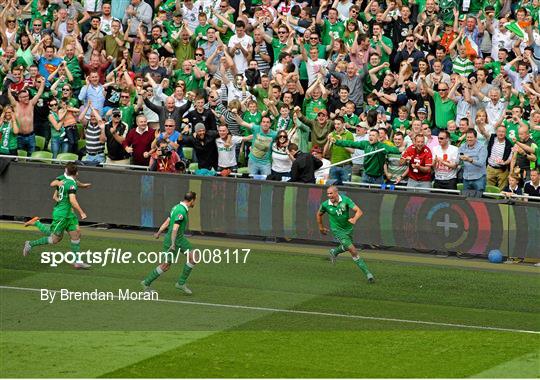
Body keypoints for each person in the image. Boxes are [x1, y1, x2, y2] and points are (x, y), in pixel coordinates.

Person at [22, 163, 91, 269]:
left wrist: (83, 185)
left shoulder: (64, 178)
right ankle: (32, 237)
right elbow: (72, 199)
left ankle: (77, 261)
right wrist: (82, 212)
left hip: (69, 214)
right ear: (77, 173)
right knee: (54, 238)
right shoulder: (70, 184)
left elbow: (56, 185)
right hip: (62, 215)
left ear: (66, 171)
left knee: (76, 234)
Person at [141, 192, 198, 295]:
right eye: (195, 200)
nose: (195, 202)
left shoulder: (176, 207)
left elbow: (167, 222)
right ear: (192, 200)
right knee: (166, 265)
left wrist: (158, 232)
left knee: (194, 257)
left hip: (180, 239)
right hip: (172, 240)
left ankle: (181, 283)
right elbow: (175, 228)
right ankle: (146, 283)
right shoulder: (181, 211)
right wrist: (172, 243)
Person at [317, 186, 374, 284]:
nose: (329, 196)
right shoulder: (325, 205)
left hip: (348, 228)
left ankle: (334, 252)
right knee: (353, 249)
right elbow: (319, 214)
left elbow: (359, 211)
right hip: (337, 230)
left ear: (336, 193)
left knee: (347, 247)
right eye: (328, 194)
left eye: (331, 193)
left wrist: (354, 219)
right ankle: (368, 274)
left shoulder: (345, 200)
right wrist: (321, 227)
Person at [334, 129, 400, 184]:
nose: (371, 137)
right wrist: (337, 142)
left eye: (373, 135)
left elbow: (394, 150)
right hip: (366, 175)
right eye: (370, 135)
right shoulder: (365, 144)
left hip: (378, 177)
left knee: (377, 197)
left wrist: (398, 150)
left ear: (377, 137)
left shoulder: (382, 146)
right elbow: (352, 144)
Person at [7, 79, 45, 156]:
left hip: (31, 136)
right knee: (20, 156)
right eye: (24, 97)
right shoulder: (16, 105)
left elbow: (39, 93)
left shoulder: (31, 103)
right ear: (19, 98)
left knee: (32, 155)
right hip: (19, 136)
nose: (27, 98)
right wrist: (8, 85)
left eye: (27, 96)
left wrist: (43, 83)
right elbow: (9, 95)